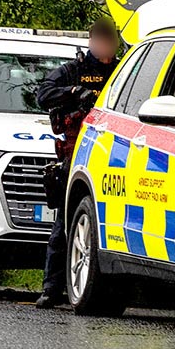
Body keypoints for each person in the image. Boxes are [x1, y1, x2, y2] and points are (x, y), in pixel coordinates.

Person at [33, 18, 120, 308]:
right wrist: (72, 93)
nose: (106, 46)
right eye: (101, 40)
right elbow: (43, 94)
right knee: (65, 220)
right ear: (92, 41)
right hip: (79, 151)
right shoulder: (75, 71)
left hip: (115, 152)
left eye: (111, 40)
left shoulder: (122, 69)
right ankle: (52, 287)